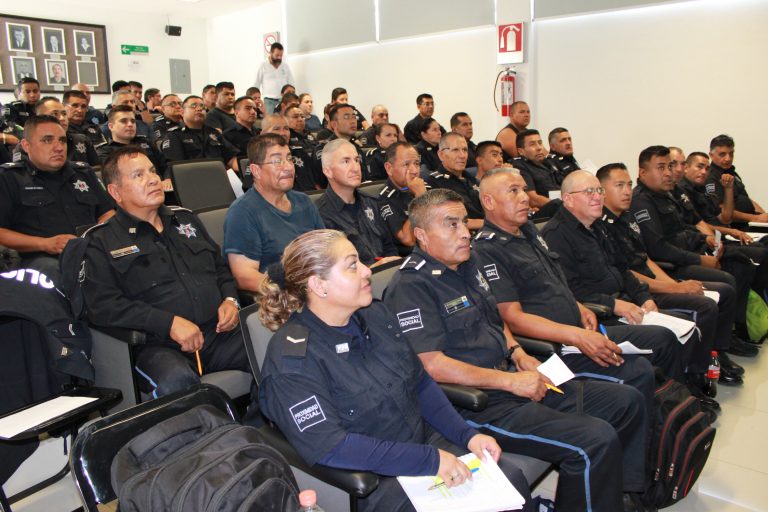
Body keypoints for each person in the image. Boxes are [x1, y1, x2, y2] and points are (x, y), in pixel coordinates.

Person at [383, 189, 651, 512]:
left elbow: (494, 318)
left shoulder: (469, 263)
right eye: (451, 225)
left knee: (626, 401)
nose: (465, 233)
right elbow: (431, 366)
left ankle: (627, 495)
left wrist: (518, 354)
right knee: (594, 440)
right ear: (422, 235)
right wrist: (510, 382)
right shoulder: (411, 286)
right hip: (479, 404)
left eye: (465, 223)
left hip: (514, 375)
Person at [256, 229, 530, 512]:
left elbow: (420, 384)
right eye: (352, 266)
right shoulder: (292, 361)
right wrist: (431, 461)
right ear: (318, 285)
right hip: (374, 477)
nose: (366, 271)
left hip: (422, 441)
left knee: (511, 481)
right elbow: (331, 446)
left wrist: (467, 435)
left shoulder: (375, 315)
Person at [472, 168, 667, 411]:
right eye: (514, 191)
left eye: (523, 189)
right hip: (552, 347)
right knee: (637, 375)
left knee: (658, 342)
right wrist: (576, 336)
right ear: (488, 201)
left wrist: (579, 307)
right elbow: (512, 318)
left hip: (578, 329)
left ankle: (665, 424)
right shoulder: (486, 250)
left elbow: (555, 281)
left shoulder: (529, 231)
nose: (524, 197)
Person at [80, 146, 250, 398]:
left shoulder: (186, 220)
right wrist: (167, 323)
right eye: (138, 175)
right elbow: (103, 305)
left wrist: (230, 300)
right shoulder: (100, 241)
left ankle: (260, 424)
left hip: (218, 333)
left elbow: (220, 269)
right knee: (177, 383)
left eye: (152, 171)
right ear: (115, 192)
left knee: (275, 346)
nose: (152, 179)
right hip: (158, 346)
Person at [598, 162, 744, 387]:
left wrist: (675, 283)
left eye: (628, 184)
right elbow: (627, 273)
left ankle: (715, 356)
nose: (627, 191)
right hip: (635, 292)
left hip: (652, 282)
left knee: (723, 288)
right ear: (602, 190)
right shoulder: (602, 225)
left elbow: (645, 259)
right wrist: (673, 287)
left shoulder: (625, 218)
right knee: (704, 306)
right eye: (619, 185)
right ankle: (695, 375)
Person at [540, 171, 684, 380]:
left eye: (599, 190)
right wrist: (614, 305)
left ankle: (685, 391)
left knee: (681, 323)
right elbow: (570, 291)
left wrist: (644, 297)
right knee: (663, 337)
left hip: (624, 303)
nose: (598, 196)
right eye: (589, 192)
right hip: (599, 315)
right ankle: (672, 397)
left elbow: (622, 268)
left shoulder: (598, 226)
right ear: (568, 199)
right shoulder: (556, 235)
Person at [630, 145, 760, 356]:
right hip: (672, 266)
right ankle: (719, 349)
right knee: (726, 282)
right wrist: (700, 260)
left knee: (740, 262)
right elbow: (658, 248)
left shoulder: (667, 195)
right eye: (661, 167)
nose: (668, 172)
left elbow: (687, 227)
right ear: (643, 173)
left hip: (689, 253)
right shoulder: (642, 202)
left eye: (669, 166)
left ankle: (729, 338)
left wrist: (706, 239)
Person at [223, 133, 324, 293]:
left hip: (318, 286)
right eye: (277, 161)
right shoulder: (242, 213)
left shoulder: (303, 201)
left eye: (289, 159)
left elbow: (324, 249)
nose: (288, 166)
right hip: (283, 298)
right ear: (256, 170)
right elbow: (244, 276)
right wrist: (293, 291)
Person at [0, 116, 114, 257]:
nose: (59, 147)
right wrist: (44, 244)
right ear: (26, 145)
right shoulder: (9, 177)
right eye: (47, 140)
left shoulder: (83, 172)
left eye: (62, 140)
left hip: (92, 252)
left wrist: (97, 235)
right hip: (41, 258)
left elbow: (107, 212)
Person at [316, 139, 400, 267]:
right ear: (328, 171)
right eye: (346, 161)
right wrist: (372, 269)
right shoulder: (320, 214)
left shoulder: (372, 203)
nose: (356, 168)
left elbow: (389, 247)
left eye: (356, 160)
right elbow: (330, 267)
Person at [160, 95, 239, 170]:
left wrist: (246, 170)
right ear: (182, 112)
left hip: (218, 175)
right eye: (193, 106)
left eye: (202, 106)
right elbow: (176, 167)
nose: (199, 109)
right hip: (192, 178)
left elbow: (231, 159)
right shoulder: (174, 135)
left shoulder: (214, 133)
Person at [706, 134, 766, 229]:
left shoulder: (732, 172)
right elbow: (721, 209)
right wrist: (756, 218)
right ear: (711, 155)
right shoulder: (710, 177)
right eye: (722, 154)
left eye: (731, 153)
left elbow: (747, 199)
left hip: (751, 223)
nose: (728, 158)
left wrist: (763, 216)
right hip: (734, 228)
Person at [425, 133, 484, 229]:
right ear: (441, 155)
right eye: (455, 150)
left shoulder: (473, 180)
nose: (462, 155)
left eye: (465, 150)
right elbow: (448, 221)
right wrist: (490, 224)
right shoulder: (434, 183)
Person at [378, 141, 427, 255]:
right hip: (414, 257)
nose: (414, 171)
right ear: (389, 168)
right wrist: (420, 198)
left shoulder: (425, 188)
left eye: (417, 163)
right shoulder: (386, 198)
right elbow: (408, 240)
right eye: (406, 164)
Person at [96, 105, 166, 184]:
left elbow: (165, 165)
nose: (130, 124)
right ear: (111, 126)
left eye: (133, 121)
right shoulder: (105, 151)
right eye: (124, 121)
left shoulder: (145, 142)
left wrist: (168, 179)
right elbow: (116, 179)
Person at [33, 96, 99, 166]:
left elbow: (96, 169)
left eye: (64, 114)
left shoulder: (82, 140)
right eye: (55, 114)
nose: (62, 118)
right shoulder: (31, 144)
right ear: (40, 118)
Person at [512, 129, 561, 209]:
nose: (539, 148)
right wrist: (563, 205)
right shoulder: (519, 166)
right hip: (546, 213)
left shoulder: (547, 162)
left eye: (540, 143)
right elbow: (532, 199)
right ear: (521, 151)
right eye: (532, 144)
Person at [255, 42, 295, 115]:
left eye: (281, 55)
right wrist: (255, 99)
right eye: (277, 55)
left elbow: (291, 84)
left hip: (283, 100)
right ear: (271, 53)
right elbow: (256, 83)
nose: (279, 57)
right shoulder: (263, 65)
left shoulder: (285, 66)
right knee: (270, 122)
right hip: (269, 101)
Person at [223, 96, 260, 161]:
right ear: (236, 112)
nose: (253, 112)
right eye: (247, 108)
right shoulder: (227, 135)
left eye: (255, 109)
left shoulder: (259, 133)